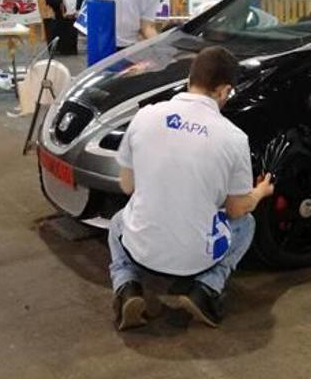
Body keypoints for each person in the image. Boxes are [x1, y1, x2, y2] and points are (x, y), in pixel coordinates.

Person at [108, 46, 274, 331]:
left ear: (189, 79)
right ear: (223, 91)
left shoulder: (145, 116)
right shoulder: (234, 138)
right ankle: (206, 289)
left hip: (142, 248)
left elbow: (127, 186)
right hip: (197, 256)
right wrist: (260, 193)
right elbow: (235, 209)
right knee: (246, 224)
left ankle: (127, 286)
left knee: (117, 222)